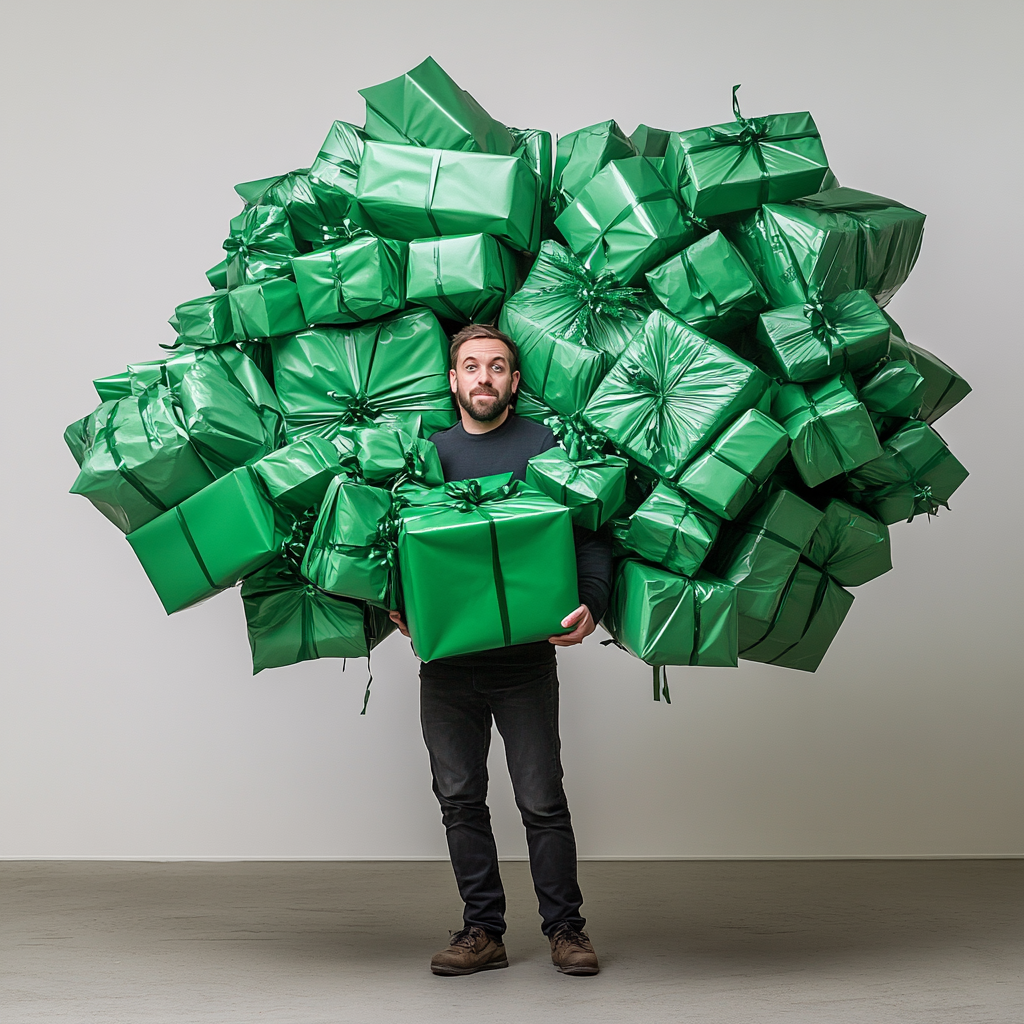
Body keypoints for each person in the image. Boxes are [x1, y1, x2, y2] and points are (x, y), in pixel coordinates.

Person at [388, 323, 612, 978]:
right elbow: (397, 542)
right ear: (452, 380)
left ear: (515, 381)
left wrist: (591, 604)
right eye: (471, 366)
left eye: (497, 367)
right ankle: (482, 931)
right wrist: (395, 601)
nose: (483, 377)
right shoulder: (425, 455)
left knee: (541, 799)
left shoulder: (545, 447)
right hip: (448, 667)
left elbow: (590, 535)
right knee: (459, 797)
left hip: (524, 665)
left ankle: (566, 930)